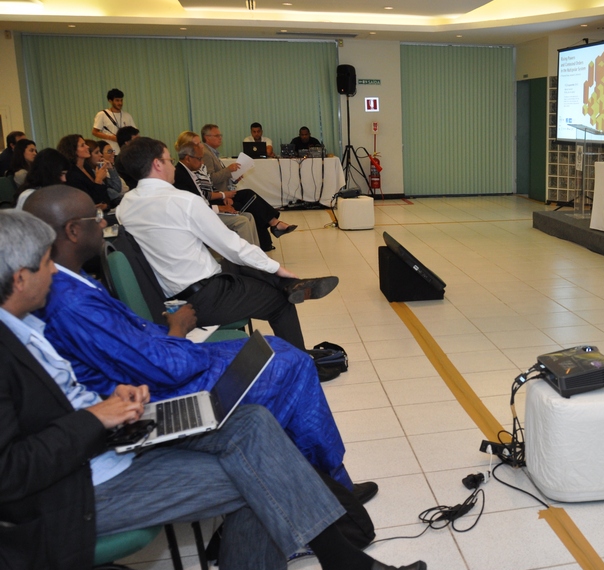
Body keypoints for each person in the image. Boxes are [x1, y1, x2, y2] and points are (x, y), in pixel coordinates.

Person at [0, 209, 426, 570]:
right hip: (73, 491)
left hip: (104, 444)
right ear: (19, 279)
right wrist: (95, 417)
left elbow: (59, 398)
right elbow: (10, 471)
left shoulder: (20, 326)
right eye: (45, 264)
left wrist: (108, 404)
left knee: (255, 422)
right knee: (258, 471)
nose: (54, 270)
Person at [24, 184, 362, 492]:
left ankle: (318, 481)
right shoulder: (70, 301)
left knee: (281, 355)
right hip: (160, 389)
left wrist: (171, 333)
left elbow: (135, 344)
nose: (103, 223)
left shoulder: (71, 280)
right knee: (291, 363)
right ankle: (331, 483)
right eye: (96, 217)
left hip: (161, 363)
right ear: (72, 231)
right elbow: (164, 368)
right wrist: (178, 331)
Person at [115, 137, 337, 350]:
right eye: (169, 161)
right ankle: (301, 362)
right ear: (157, 164)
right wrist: (277, 267)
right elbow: (230, 245)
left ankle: (289, 285)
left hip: (171, 297)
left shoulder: (126, 206)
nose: (173, 166)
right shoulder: (183, 201)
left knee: (239, 266)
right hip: (203, 300)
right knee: (280, 303)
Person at [179, 130, 297, 250]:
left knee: (251, 202)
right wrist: (225, 188)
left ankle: (263, 243)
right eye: (197, 144)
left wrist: (227, 188)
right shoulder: (200, 160)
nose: (201, 146)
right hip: (211, 205)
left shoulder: (205, 158)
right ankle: (268, 235)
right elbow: (210, 182)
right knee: (250, 202)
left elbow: (207, 186)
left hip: (217, 197)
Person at [172, 132, 260, 248]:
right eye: (199, 159)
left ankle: (256, 254)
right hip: (201, 217)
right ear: (188, 158)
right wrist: (221, 207)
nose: (202, 162)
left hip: (207, 210)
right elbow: (195, 207)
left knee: (249, 216)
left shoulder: (190, 171)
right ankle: (248, 262)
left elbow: (204, 194)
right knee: (242, 221)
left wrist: (223, 197)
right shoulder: (181, 176)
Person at [57, 134, 112, 209]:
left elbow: (104, 195)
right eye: (83, 145)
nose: (87, 147)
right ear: (73, 150)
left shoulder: (86, 167)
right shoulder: (71, 174)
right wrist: (98, 180)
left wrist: (106, 205)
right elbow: (89, 201)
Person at [92, 88, 136, 154]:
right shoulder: (102, 114)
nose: (120, 103)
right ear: (110, 101)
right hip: (110, 152)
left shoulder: (127, 115)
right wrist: (111, 138)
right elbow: (94, 132)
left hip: (125, 152)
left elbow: (134, 133)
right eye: (117, 100)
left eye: (121, 100)